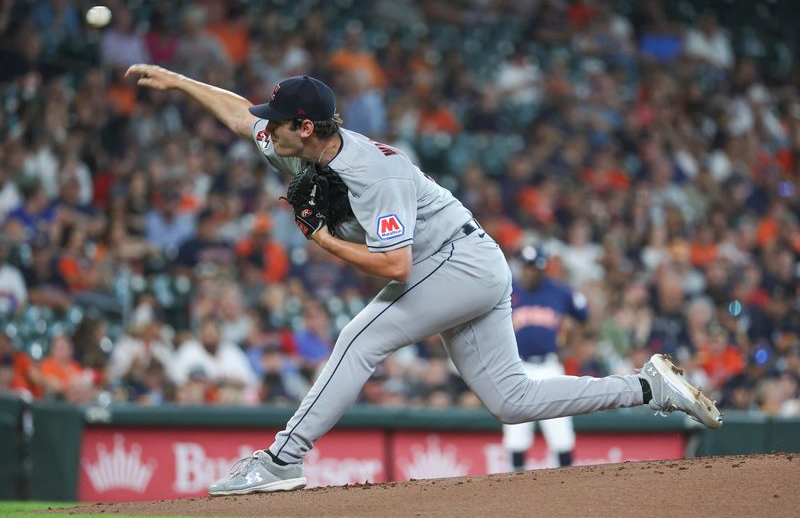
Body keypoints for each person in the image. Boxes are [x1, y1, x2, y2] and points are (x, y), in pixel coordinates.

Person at [125, 63, 723, 496]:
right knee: (510, 401)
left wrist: (321, 240)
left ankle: (283, 459)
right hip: (470, 263)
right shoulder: (300, 146)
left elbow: (395, 267)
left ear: (304, 126)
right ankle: (648, 389)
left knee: (360, 338)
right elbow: (237, 116)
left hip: (456, 263)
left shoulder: (371, 172)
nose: (266, 128)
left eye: (276, 122)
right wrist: (180, 82)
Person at [503, 245, 587, 470]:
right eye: (526, 266)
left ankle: (567, 487)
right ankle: (515, 488)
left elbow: (583, 316)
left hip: (549, 366)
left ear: (542, 269)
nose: (529, 271)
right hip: (518, 367)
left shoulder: (559, 292)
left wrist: (572, 347)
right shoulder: (508, 290)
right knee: (516, 434)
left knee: (561, 432)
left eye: (533, 267)